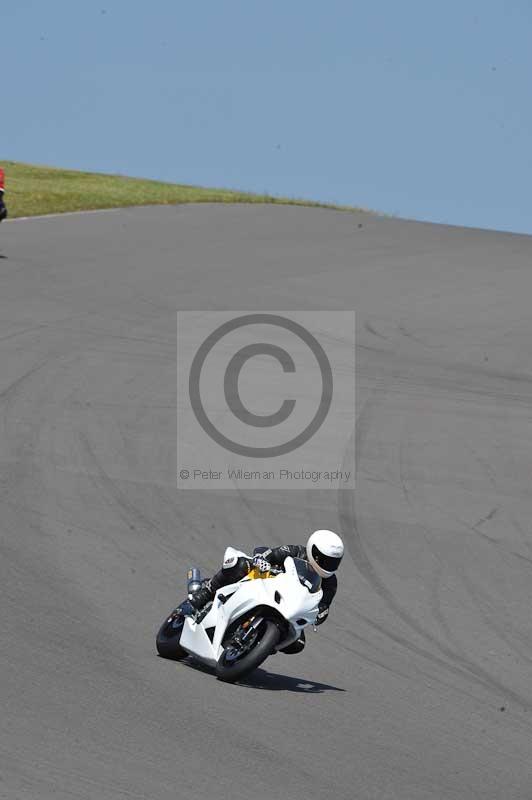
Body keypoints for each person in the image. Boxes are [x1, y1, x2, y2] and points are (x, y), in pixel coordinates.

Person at [188, 529, 344, 653]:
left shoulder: (331, 583)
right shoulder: (297, 551)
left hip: (290, 607)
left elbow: (324, 605)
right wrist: (261, 559)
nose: (329, 565)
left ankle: (259, 645)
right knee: (238, 564)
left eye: (334, 562)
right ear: (313, 551)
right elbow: (269, 552)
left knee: (298, 643)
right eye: (325, 560)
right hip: (265, 585)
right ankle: (205, 594)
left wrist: (320, 614)